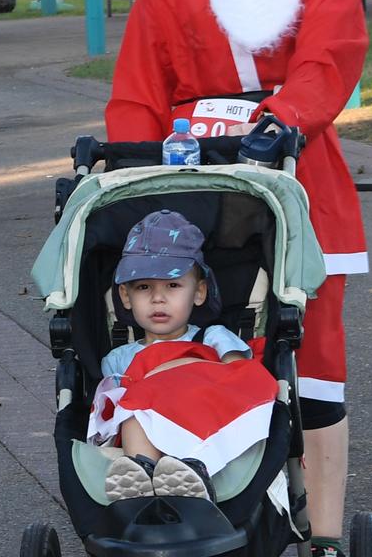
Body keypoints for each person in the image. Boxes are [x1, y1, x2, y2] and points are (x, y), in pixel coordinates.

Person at [104, 0, 367, 557]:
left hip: (294, 169)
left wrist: (284, 120)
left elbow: (329, 60)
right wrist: (125, 159)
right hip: (183, 170)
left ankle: (322, 529)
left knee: (310, 346)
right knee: (179, 319)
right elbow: (138, 79)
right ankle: (176, 473)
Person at [88, 210, 278, 503]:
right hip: (148, 435)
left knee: (154, 396)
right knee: (133, 412)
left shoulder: (213, 337)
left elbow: (240, 376)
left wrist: (184, 366)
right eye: (143, 287)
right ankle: (141, 477)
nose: (158, 298)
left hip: (202, 419)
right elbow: (109, 414)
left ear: (199, 292)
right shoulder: (118, 358)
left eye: (173, 285)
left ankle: (189, 469)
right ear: (125, 297)